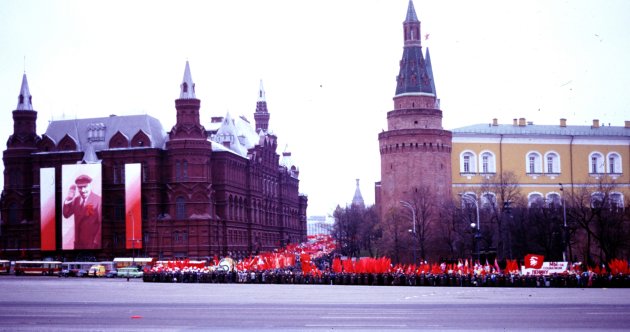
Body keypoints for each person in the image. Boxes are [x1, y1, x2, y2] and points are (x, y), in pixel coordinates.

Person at [63, 174, 102, 249]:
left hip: (92, 244)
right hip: (78, 244)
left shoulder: (98, 200)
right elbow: (66, 214)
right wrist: (69, 199)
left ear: (90, 185)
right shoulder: (76, 200)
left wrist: (96, 241)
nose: (83, 190)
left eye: (85, 187)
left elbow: (101, 224)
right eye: (80, 187)